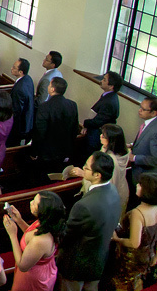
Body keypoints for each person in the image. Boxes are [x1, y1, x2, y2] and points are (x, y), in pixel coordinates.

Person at [56, 151, 122, 290]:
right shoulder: (114, 192)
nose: (83, 169)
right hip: (98, 260)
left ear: (97, 175)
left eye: (86, 167)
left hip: (76, 264)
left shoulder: (84, 206)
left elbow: (65, 236)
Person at [2, 191, 66, 291]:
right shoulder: (46, 222)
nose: (31, 202)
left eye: (34, 203)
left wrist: (12, 235)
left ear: (42, 211)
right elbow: (32, 234)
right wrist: (19, 220)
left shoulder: (41, 241)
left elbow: (23, 265)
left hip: (32, 278)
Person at [107, 172, 157, 291]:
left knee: (124, 285)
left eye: (140, 185)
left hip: (132, 260)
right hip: (149, 256)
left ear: (147, 191)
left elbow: (134, 243)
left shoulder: (138, 213)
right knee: (138, 283)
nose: (137, 186)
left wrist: (116, 239)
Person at [66, 124, 131, 215]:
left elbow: (107, 184)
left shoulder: (111, 161)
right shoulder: (111, 150)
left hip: (112, 197)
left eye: (103, 136)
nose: (100, 136)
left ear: (111, 140)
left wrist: (83, 174)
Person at [30, 77, 78, 183]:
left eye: (49, 85)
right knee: (57, 178)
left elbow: (40, 132)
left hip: (46, 153)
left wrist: (34, 152)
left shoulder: (44, 107)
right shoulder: (72, 105)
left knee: (43, 179)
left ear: (52, 89)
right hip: (64, 151)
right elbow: (74, 130)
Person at [81, 71, 122, 152]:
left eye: (104, 80)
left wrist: (85, 123)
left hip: (96, 136)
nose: (101, 81)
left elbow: (98, 122)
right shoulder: (108, 96)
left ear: (111, 86)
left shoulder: (109, 102)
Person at [8, 58, 35, 146]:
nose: (11, 68)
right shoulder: (28, 79)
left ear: (20, 72)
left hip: (18, 125)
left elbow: (17, 110)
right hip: (28, 119)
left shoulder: (19, 89)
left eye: (14, 67)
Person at [131, 97, 157, 186]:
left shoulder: (155, 130)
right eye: (140, 107)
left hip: (145, 176)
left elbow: (155, 159)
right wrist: (132, 145)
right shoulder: (148, 123)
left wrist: (134, 158)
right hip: (136, 172)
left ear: (153, 113)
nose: (139, 110)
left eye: (143, 109)